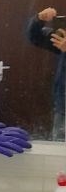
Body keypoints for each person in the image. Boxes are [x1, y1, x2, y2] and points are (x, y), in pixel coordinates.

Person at [26, 7, 66, 141]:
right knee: (59, 150)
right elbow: (35, 37)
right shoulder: (63, 36)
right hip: (62, 107)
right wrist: (39, 19)